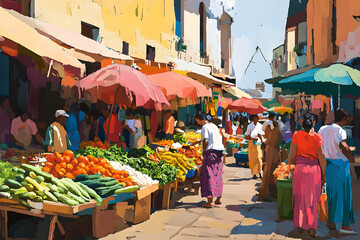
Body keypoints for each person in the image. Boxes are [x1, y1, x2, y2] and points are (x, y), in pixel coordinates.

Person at [288, 113, 326, 238]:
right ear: (313, 124)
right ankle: (311, 228)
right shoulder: (317, 137)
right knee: (312, 200)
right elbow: (322, 158)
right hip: (313, 171)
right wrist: (324, 175)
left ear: (302, 123)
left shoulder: (296, 135)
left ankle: (300, 224)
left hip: (300, 169)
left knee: (299, 198)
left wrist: (294, 164)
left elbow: (291, 156)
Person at [318, 109, 356, 234]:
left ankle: (332, 220)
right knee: (345, 196)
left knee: (332, 194)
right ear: (343, 119)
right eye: (347, 118)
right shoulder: (340, 130)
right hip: (341, 166)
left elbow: (319, 148)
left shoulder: (322, 129)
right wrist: (350, 152)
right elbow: (343, 146)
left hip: (328, 165)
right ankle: (345, 226)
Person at [194, 113, 225, 208]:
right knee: (217, 175)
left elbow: (206, 141)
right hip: (220, 153)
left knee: (208, 176)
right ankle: (218, 198)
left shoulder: (205, 127)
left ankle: (209, 201)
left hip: (211, 153)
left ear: (199, 120)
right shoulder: (214, 126)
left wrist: (203, 152)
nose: (197, 122)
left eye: (196, 120)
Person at [258, 112, 282, 201]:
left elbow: (264, 137)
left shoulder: (269, 125)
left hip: (272, 149)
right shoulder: (272, 125)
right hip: (272, 150)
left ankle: (270, 192)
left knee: (272, 171)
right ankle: (265, 193)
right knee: (269, 170)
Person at [245, 114, 264, 179]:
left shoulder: (260, 126)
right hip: (252, 144)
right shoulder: (249, 126)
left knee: (259, 158)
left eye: (257, 118)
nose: (256, 120)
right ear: (253, 119)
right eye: (255, 118)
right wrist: (252, 139)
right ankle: (254, 173)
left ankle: (260, 172)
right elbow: (247, 136)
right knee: (252, 159)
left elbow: (262, 135)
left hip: (258, 144)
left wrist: (261, 139)